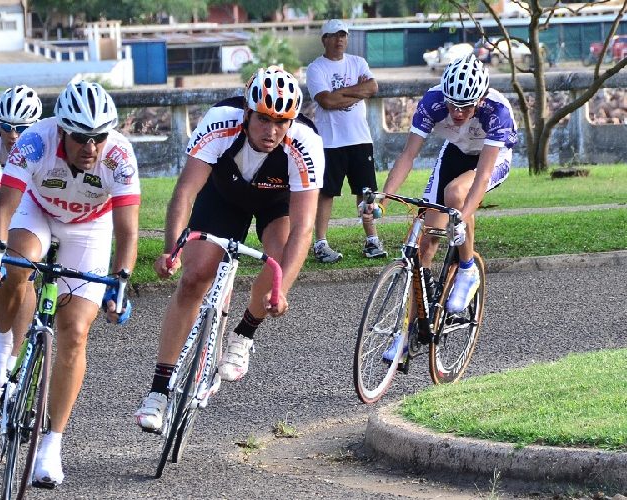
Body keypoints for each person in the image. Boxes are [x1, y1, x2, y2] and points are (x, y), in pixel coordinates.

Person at [134, 66, 324, 432]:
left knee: (276, 265)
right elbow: (185, 192)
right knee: (193, 278)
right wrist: (172, 248)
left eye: (281, 122)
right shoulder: (221, 121)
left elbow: (304, 227)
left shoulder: (305, 142)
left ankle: (244, 333)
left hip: (276, 204)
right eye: (264, 119)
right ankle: (158, 390)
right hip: (222, 197)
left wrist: (281, 290)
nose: (272, 131)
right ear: (248, 113)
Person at [0, 81, 139, 487]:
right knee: (18, 265)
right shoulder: (34, 142)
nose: (91, 147)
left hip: (91, 226)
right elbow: (4, 207)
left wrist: (120, 280)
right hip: (38, 211)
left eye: (99, 138)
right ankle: (0, 341)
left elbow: (128, 231)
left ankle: (51, 444)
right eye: (82, 138)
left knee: (76, 333)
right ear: (61, 131)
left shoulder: (118, 156)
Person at [362, 54, 515, 316]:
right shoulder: (433, 101)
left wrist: (461, 221)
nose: (457, 113)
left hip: (490, 158)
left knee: (455, 193)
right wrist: (382, 202)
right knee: (426, 243)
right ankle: (409, 332)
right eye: (452, 105)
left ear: (479, 100)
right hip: (455, 151)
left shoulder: (497, 111)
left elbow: (481, 177)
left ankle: (467, 270)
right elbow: (407, 156)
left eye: (465, 107)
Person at [306, 19, 385, 263]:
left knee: (366, 192)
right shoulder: (316, 68)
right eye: (334, 35)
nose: (340, 40)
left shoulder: (358, 62)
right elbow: (326, 102)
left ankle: (372, 240)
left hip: (360, 139)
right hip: (330, 142)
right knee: (326, 193)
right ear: (324, 40)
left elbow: (372, 87)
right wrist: (355, 92)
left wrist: (341, 95)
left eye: (343, 35)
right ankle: (320, 243)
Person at [0, 85, 42, 164]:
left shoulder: (43, 137)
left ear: (34, 127)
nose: (13, 135)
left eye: (21, 128)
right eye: (6, 127)